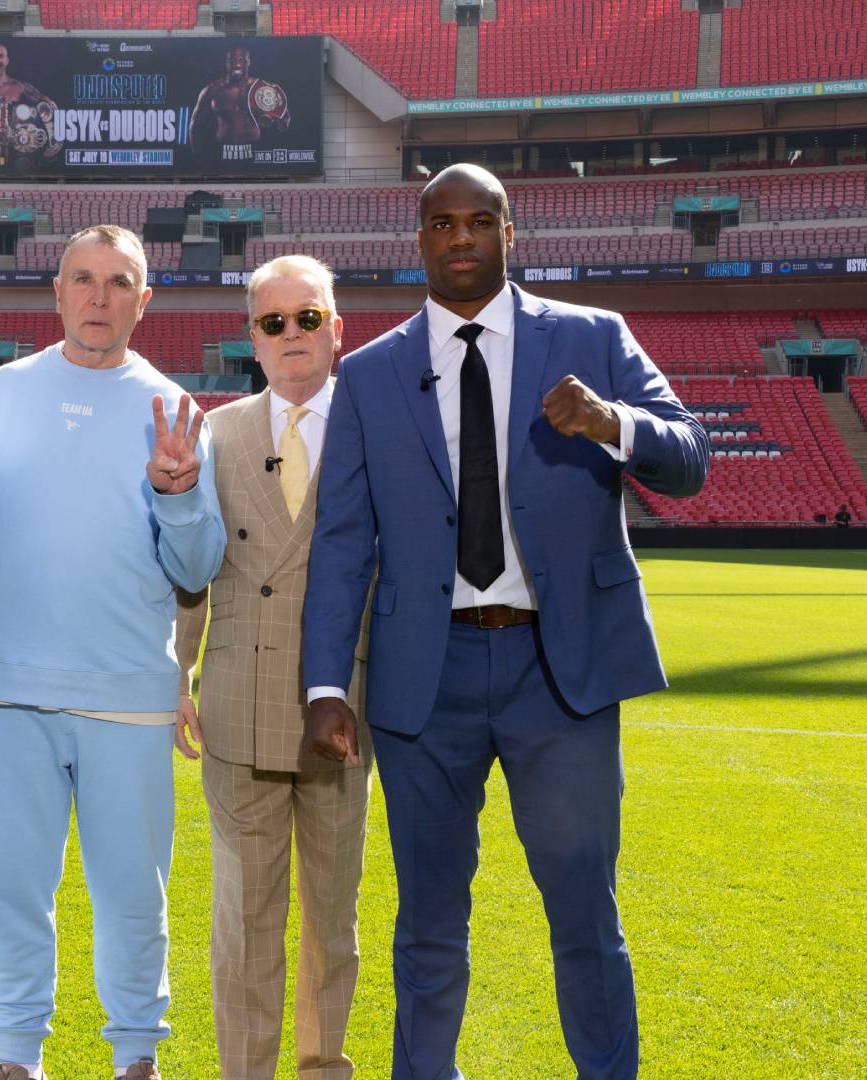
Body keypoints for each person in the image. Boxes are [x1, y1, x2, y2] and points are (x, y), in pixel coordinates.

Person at [300, 164, 709, 1080]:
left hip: (556, 672)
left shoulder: (595, 338)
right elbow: (341, 539)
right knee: (429, 922)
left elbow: (692, 458)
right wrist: (327, 685)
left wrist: (614, 424)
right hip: (424, 679)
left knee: (583, 913)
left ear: (510, 234)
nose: (460, 239)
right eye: (441, 223)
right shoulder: (368, 375)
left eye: (479, 221)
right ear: (419, 241)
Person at [0, 224, 227, 1080]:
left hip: (128, 693)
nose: (99, 297)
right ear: (56, 293)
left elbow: (197, 566)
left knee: (134, 896)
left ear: (144, 299)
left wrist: (178, 493)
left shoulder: (172, 408)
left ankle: (137, 1054)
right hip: (9, 691)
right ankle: (17, 1056)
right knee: (11, 890)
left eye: (118, 282)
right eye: (84, 280)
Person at [173, 255, 372, 1080]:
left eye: (309, 317)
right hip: (236, 705)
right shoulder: (215, 434)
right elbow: (191, 570)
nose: (292, 335)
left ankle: (323, 1067)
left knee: (332, 917)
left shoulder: (375, 427)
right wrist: (178, 669)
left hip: (345, 709)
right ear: (250, 339)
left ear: (337, 328)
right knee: (245, 923)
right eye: (273, 322)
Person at [188, 46, 291, 167]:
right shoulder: (212, 90)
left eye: (241, 60)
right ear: (226, 63)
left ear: (248, 62)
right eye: (232, 60)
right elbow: (195, 127)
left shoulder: (262, 89)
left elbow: (284, 120)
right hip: (221, 152)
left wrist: (281, 121)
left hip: (255, 151)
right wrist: (199, 159)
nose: (236, 65)